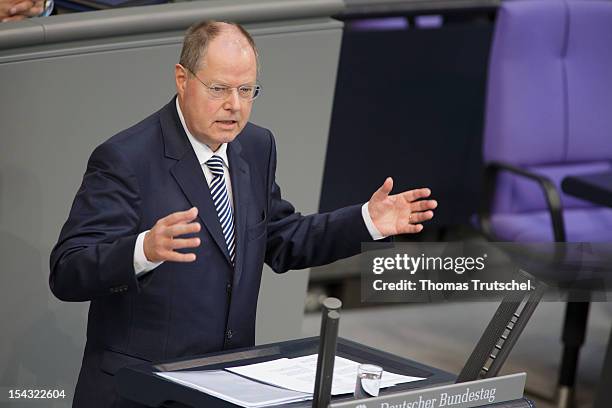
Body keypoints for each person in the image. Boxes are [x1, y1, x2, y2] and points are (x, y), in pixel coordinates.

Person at [49, 20, 437, 408]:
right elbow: (68, 270)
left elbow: (283, 239)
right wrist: (143, 250)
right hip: (141, 393)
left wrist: (367, 221)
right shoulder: (127, 158)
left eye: (246, 90)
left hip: (228, 388)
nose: (234, 105)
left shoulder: (255, 146)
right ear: (182, 79)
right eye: (218, 89)